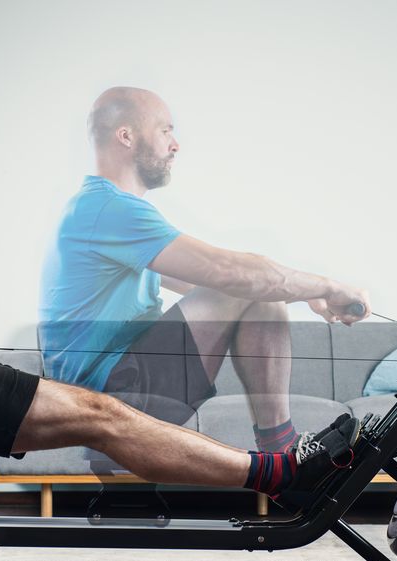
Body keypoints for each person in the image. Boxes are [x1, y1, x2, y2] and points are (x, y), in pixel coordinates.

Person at [0, 80, 362, 511]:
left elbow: (221, 282)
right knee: (102, 412)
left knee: (103, 412)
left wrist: (293, 291)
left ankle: (282, 468)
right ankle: (282, 471)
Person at [40, 86, 371, 455]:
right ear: (127, 136)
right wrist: (328, 286)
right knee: (244, 281)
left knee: (254, 289)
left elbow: (201, 280)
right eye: (165, 130)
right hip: (108, 394)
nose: (176, 144)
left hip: (122, 382)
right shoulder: (109, 209)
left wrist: (306, 292)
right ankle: (284, 453)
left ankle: (281, 450)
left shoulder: (103, 212)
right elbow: (227, 272)